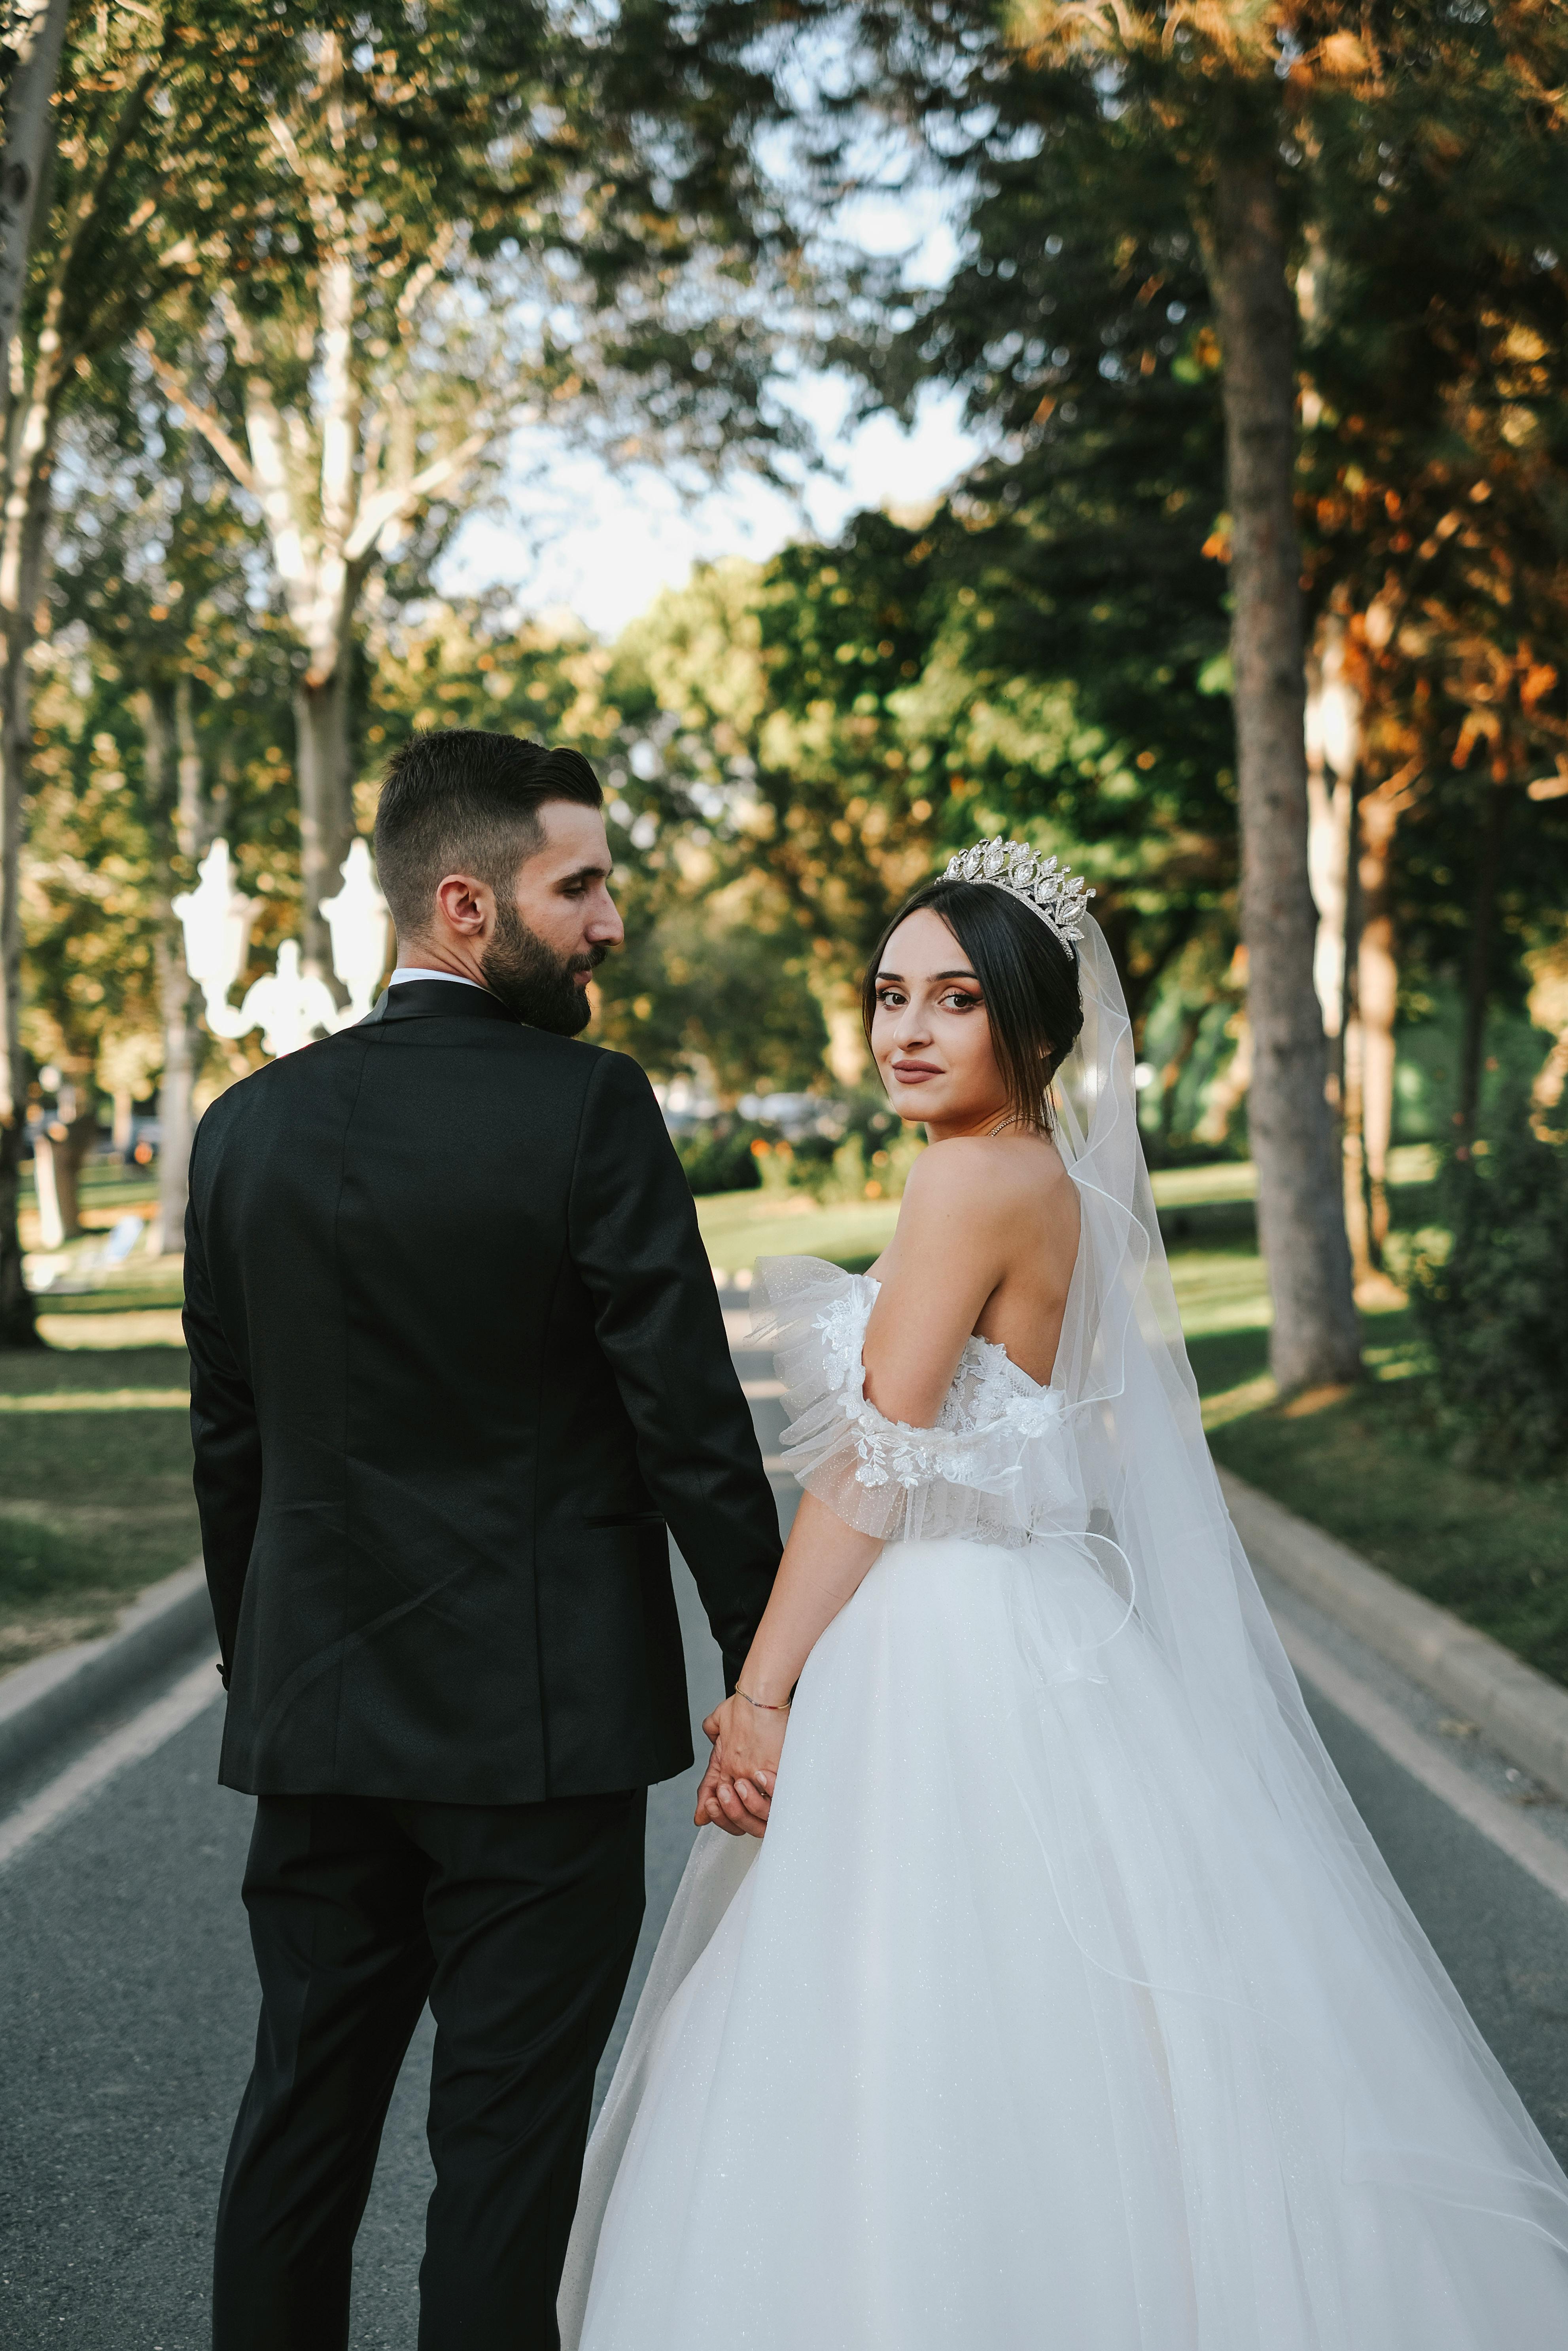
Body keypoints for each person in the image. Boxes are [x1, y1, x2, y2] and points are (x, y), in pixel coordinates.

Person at [560, 838, 1568, 2349]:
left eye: (953, 1000)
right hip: (1019, 1619)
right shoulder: (1048, 1180)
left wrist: (762, 1692)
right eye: (890, 994)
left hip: (942, 1633)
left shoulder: (970, 1178)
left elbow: (878, 1470)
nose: (906, 1028)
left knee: (915, 2012)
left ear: (1031, 1026)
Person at [183, 729, 780, 2351]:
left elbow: (228, 1438)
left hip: (314, 1723)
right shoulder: (589, 1109)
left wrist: (266, 1655)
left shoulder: (239, 1131)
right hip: (539, 1742)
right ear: (464, 905)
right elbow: (688, 1426)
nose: (606, 921)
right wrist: (771, 1665)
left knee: (299, 2119)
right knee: (503, 2159)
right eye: (576, 885)